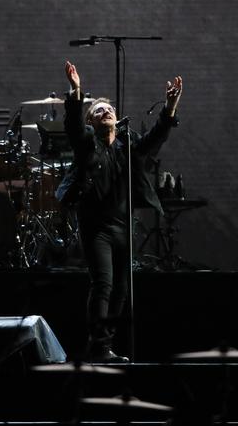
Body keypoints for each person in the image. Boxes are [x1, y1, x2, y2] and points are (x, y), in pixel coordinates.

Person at [58, 61, 182, 363]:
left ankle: (104, 345)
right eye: (98, 111)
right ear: (92, 120)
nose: (106, 112)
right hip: (96, 226)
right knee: (103, 283)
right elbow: (74, 126)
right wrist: (76, 91)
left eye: (108, 109)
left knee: (122, 291)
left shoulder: (128, 144)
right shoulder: (88, 144)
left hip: (123, 224)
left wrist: (170, 107)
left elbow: (155, 140)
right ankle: (99, 346)